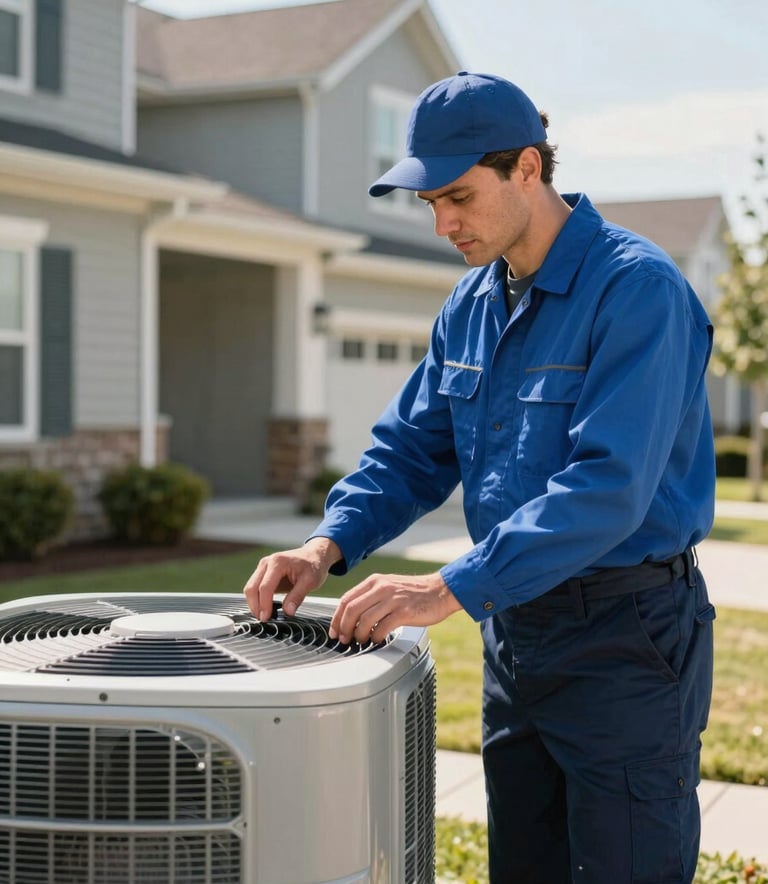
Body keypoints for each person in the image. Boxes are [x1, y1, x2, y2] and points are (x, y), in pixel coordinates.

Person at [244, 71, 716, 884]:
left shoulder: (637, 290)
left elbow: (607, 487)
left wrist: (446, 588)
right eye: (431, 204)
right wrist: (328, 543)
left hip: (625, 640)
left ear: (528, 169)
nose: (444, 224)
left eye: (458, 196)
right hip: (517, 640)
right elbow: (410, 450)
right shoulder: (470, 303)